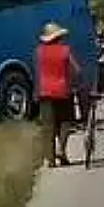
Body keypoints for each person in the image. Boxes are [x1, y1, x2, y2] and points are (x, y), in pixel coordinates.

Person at [34, 22, 81, 168]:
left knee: (48, 126)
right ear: (59, 37)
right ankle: (61, 150)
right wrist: (73, 83)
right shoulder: (65, 51)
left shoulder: (39, 51)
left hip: (44, 92)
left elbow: (37, 72)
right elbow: (76, 70)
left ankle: (50, 159)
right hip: (63, 91)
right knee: (66, 121)